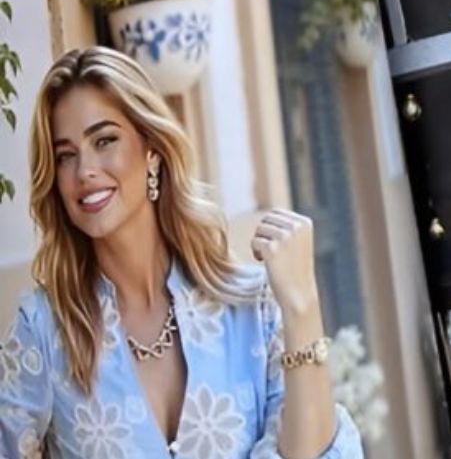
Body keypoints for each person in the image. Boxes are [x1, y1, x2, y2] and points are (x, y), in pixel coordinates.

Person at [0, 48, 363, 458]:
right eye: (66, 155)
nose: (84, 170)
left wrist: (302, 307)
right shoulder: (43, 333)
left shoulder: (252, 308)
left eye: (105, 140)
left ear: (152, 150)